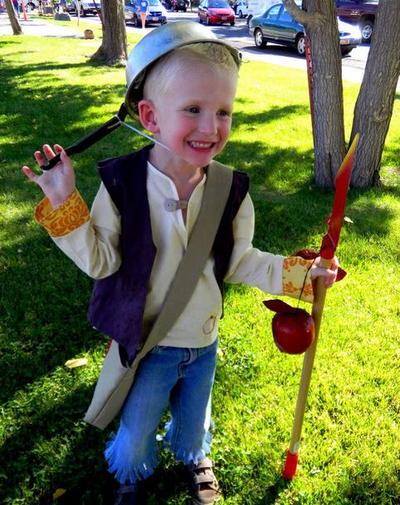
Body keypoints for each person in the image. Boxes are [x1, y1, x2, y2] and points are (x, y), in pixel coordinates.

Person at [22, 22, 339, 505]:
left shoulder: (231, 190)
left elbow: (242, 261)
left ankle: (194, 456)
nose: (211, 127)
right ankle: (131, 472)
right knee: (139, 422)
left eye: (223, 111)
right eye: (193, 109)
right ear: (148, 115)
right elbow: (102, 261)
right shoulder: (123, 184)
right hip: (150, 345)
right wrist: (65, 201)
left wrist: (304, 276)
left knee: (194, 417)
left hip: (204, 342)